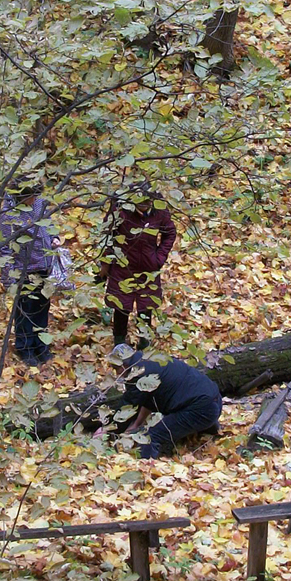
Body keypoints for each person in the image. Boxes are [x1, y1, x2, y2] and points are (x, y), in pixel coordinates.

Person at [111, 344, 222, 459]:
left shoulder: (137, 375)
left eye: (116, 369)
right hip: (215, 400)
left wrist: (107, 429)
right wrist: (137, 423)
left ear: (123, 365)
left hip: (201, 410)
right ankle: (211, 430)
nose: (117, 374)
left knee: (152, 436)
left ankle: (145, 467)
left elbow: (126, 407)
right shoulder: (150, 359)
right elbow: (150, 399)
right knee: (190, 409)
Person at [98, 184, 177, 348]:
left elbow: (170, 233)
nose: (144, 205)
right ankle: (119, 342)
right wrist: (106, 262)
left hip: (148, 267)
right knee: (121, 306)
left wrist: (158, 257)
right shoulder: (120, 210)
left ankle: (144, 342)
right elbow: (106, 234)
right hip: (123, 265)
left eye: (147, 202)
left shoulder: (159, 211)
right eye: (139, 202)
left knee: (146, 306)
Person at [0, 179, 60, 366]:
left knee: (42, 307)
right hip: (23, 270)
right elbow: (5, 249)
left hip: (44, 266)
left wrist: (54, 238)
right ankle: (25, 348)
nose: (34, 199)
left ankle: (41, 346)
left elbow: (48, 224)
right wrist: (9, 279)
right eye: (31, 196)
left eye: (35, 196)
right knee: (25, 312)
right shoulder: (8, 214)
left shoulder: (40, 202)